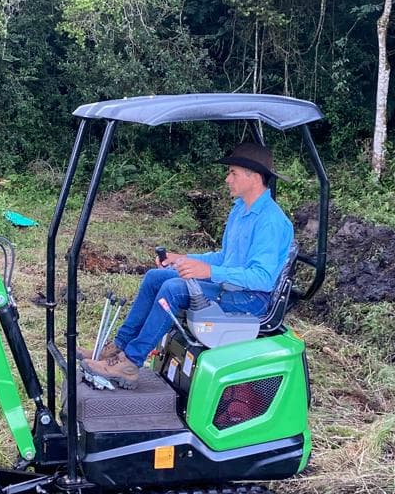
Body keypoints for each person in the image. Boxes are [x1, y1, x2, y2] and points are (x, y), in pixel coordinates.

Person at [81, 141, 294, 389]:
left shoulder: (270, 221)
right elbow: (225, 257)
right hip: (231, 287)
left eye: (233, 173)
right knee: (154, 277)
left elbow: (262, 278)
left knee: (173, 288)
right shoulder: (240, 210)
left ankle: (130, 364)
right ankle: (119, 347)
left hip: (251, 298)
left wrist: (210, 272)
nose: (227, 179)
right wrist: (182, 259)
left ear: (254, 178)